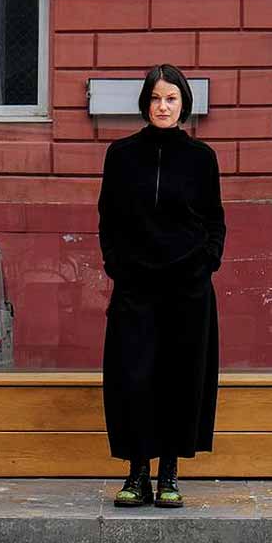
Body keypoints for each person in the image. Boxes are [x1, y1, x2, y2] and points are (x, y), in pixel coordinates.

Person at [97, 64, 225, 510]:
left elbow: (215, 222)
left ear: (184, 104)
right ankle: (136, 473)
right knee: (132, 377)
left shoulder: (201, 158)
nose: (163, 106)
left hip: (187, 290)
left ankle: (169, 472)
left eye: (171, 99)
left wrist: (204, 264)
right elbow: (107, 220)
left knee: (179, 378)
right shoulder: (121, 155)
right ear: (144, 103)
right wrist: (117, 266)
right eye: (156, 98)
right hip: (135, 287)